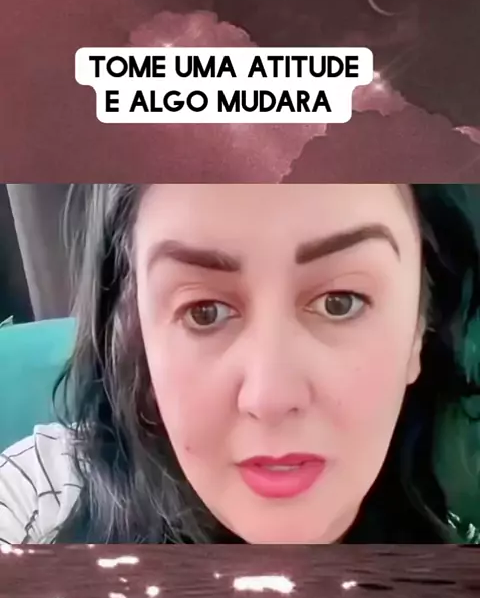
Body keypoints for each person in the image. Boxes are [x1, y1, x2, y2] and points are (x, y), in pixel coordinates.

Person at [1, 183, 479, 544]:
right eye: (204, 312)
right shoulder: (40, 502)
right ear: (138, 335)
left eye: (340, 302)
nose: (270, 397)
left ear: (419, 328)